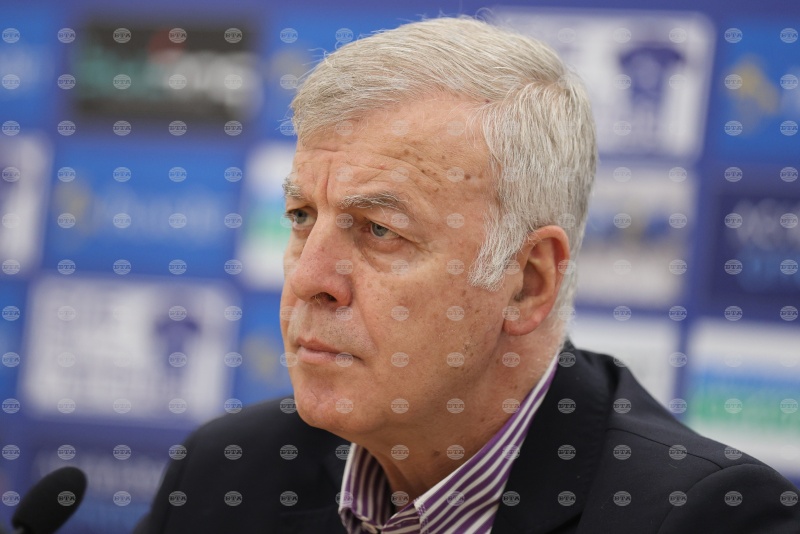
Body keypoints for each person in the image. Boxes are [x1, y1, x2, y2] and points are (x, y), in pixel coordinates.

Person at [135, 16, 800, 533]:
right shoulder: (230, 472)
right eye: (302, 216)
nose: (309, 278)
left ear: (528, 282)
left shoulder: (702, 516)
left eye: (379, 230)